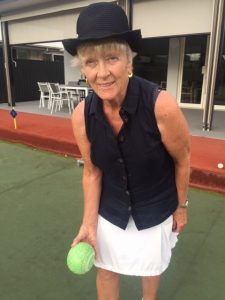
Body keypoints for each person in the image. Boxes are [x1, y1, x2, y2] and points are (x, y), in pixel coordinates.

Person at [63, 2, 190, 300]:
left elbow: (182, 160)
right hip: (111, 210)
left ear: (129, 62)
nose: (103, 72)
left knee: (150, 267)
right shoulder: (82, 115)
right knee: (105, 268)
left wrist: (181, 206)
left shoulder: (161, 105)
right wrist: (88, 223)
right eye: (91, 63)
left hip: (155, 206)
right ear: (82, 69)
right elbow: (93, 172)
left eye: (112, 58)